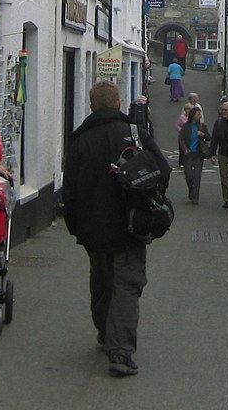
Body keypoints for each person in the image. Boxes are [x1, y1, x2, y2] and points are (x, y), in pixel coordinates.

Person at [62, 80, 171, 377]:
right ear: (120, 103)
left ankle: (103, 333)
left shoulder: (80, 140)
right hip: (131, 225)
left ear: (91, 106)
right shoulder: (135, 134)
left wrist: (76, 227)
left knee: (101, 279)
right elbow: (163, 170)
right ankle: (120, 352)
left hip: (92, 228)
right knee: (127, 284)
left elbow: (68, 190)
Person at [177, 106, 209, 204]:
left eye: (200, 114)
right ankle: (191, 191)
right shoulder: (186, 126)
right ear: (193, 115)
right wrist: (185, 149)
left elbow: (209, 137)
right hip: (188, 154)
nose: (200, 116)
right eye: (198, 114)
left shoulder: (202, 126)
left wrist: (203, 135)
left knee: (197, 175)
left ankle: (195, 197)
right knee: (189, 176)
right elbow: (181, 138)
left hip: (198, 154)